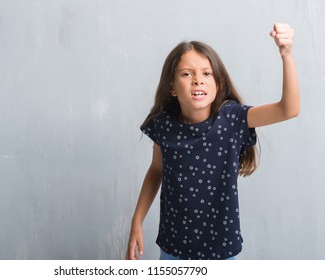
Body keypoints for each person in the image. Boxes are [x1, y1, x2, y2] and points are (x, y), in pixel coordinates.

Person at [126, 23, 299, 260]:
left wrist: (286, 54)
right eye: (187, 74)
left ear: (218, 84)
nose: (198, 79)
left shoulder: (233, 118)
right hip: (173, 248)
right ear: (172, 88)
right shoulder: (163, 124)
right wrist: (137, 220)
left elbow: (289, 109)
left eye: (206, 73)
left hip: (221, 252)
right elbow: (157, 170)